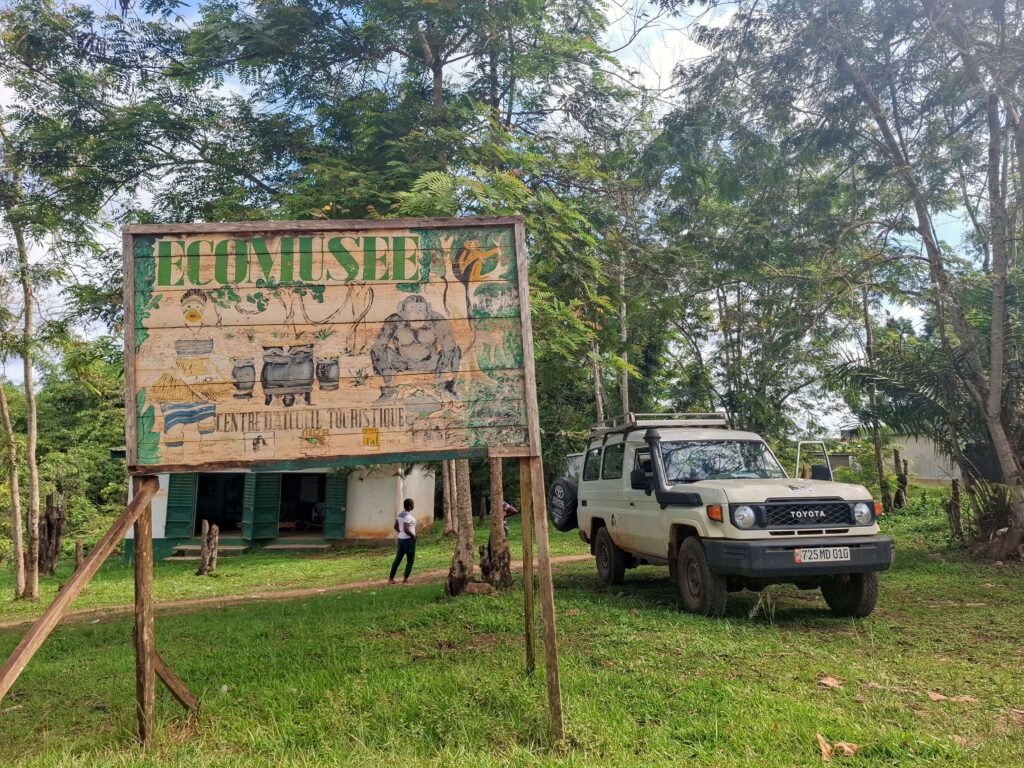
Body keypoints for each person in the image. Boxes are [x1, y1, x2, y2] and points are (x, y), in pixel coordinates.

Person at [389, 498, 417, 584]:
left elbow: (395, 526)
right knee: (410, 560)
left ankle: (391, 579)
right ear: (409, 506)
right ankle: (405, 580)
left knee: (398, 559)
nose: (413, 505)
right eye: (413, 504)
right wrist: (413, 536)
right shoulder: (408, 517)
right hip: (408, 540)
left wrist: (400, 532)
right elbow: (406, 528)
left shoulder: (400, 515)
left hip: (401, 539)